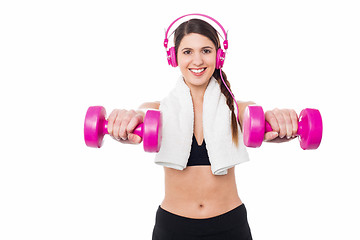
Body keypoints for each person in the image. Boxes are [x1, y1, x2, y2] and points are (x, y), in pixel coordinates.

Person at [107, 16, 298, 240]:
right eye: (187, 52)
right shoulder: (157, 110)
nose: (197, 60)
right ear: (174, 57)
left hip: (229, 225)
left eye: (206, 50)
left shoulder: (236, 109)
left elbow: (253, 116)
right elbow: (139, 116)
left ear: (219, 56)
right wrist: (124, 120)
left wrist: (278, 120)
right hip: (173, 227)